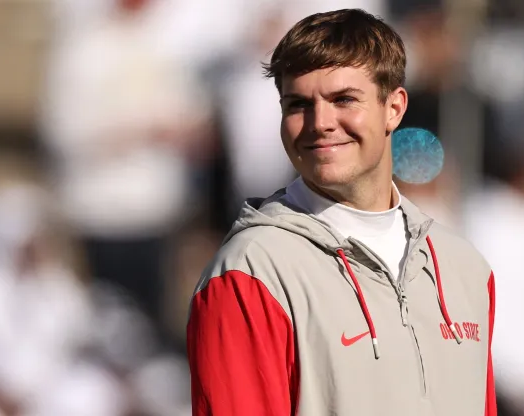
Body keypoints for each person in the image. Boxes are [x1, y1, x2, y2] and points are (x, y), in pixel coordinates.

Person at [187, 9, 497, 415]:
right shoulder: (252, 272)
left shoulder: (465, 268)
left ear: (394, 108)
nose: (320, 123)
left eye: (343, 100)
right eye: (298, 105)